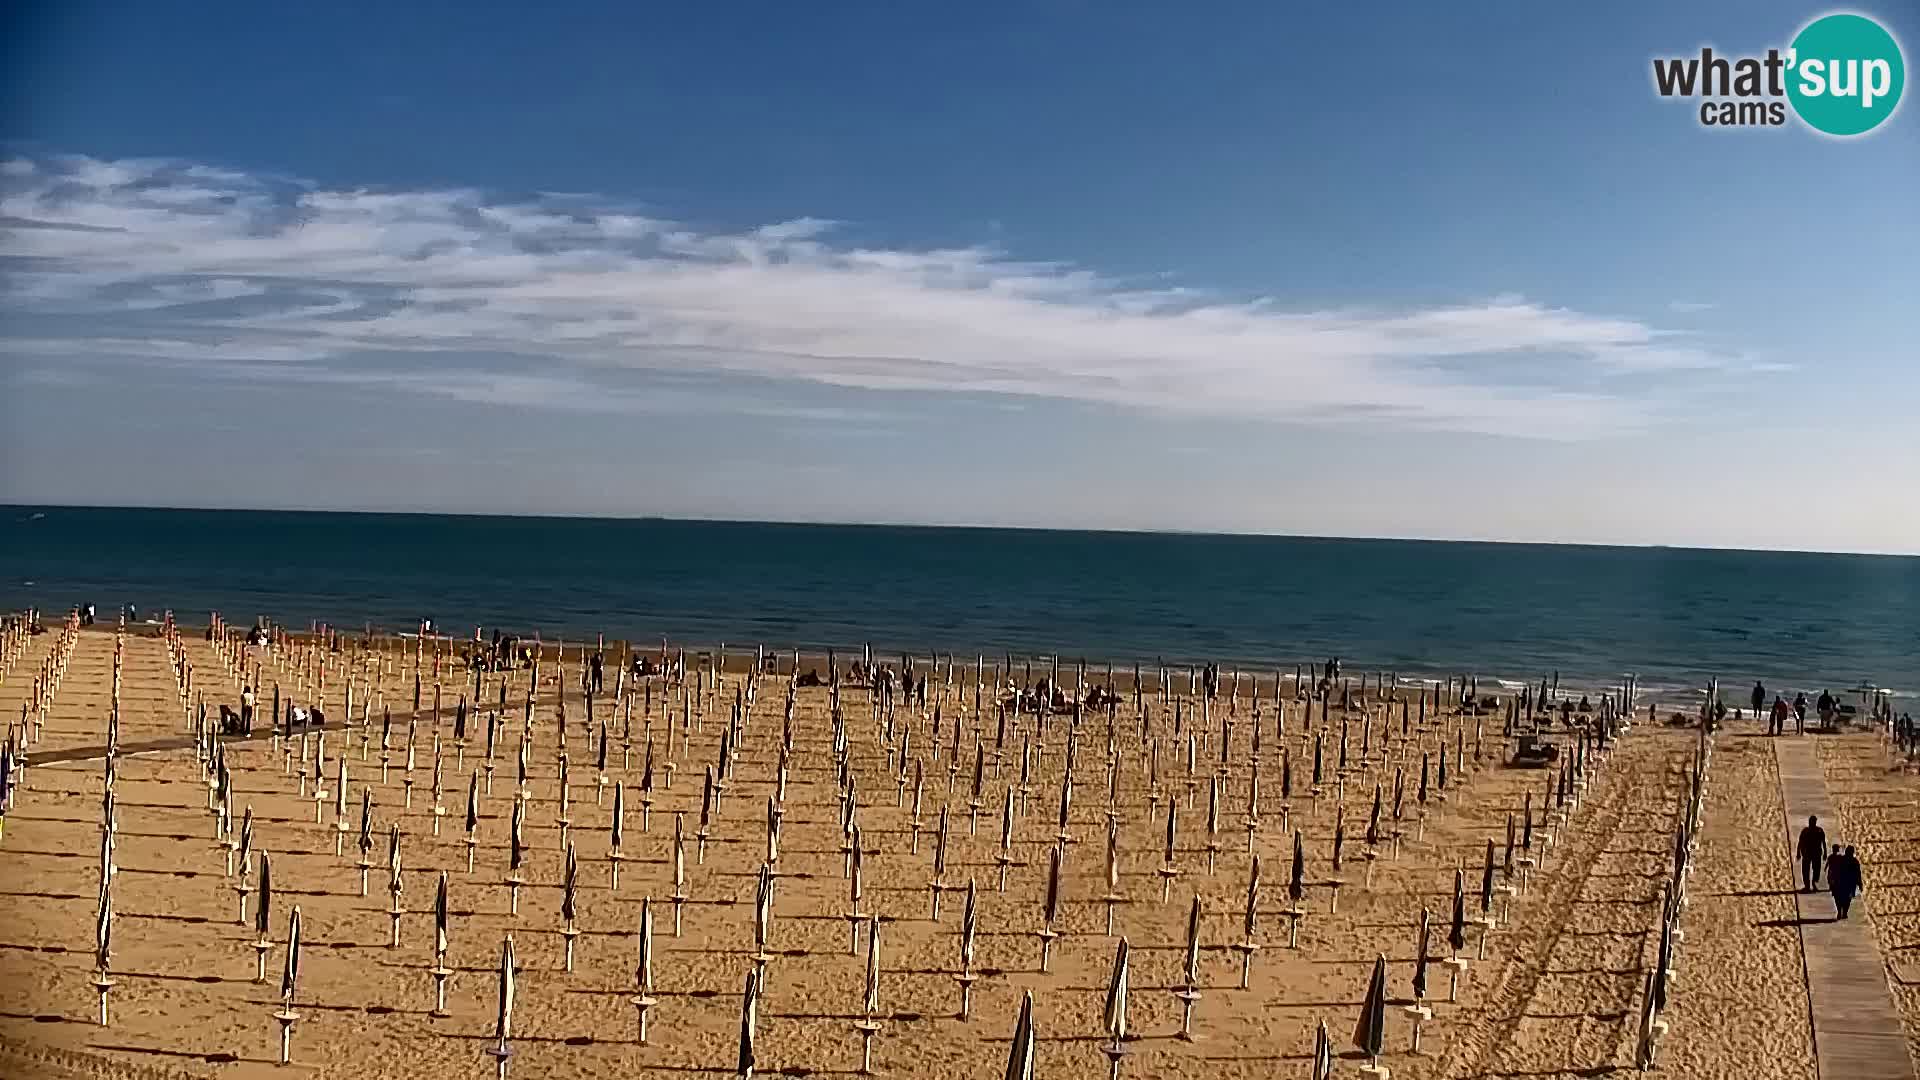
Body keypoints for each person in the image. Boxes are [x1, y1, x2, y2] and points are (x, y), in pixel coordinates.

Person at [1797, 815, 1827, 892]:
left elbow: (1823, 842)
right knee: (1806, 870)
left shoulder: (1819, 831)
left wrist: (1825, 853)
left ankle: (1813, 883)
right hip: (1807, 854)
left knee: (1816, 870)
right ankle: (1807, 885)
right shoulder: (1806, 831)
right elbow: (1800, 842)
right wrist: (1798, 852)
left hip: (1815, 853)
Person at [1831, 845, 1863, 919]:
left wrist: (1832, 880)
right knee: (1846, 899)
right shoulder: (1854, 861)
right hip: (1849, 883)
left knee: (1839, 898)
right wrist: (1859, 884)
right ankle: (1844, 912)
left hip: (1840, 882)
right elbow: (1858, 874)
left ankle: (1840, 911)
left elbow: (1834, 870)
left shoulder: (1840, 859)